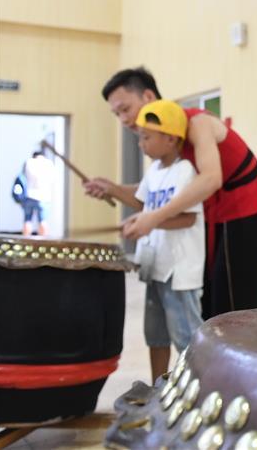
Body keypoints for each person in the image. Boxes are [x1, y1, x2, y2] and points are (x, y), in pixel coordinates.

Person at [84, 68, 257, 319]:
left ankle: (236, 357)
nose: (123, 119)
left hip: (242, 209)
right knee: (209, 304)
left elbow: (211, 178)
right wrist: (113, 189)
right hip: (210, 215)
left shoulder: (196, 123)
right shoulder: (161, 143)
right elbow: (156, 196)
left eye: (125, 109)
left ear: (148, 97)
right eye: (117, 114)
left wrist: (154, 218)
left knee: (235, 308)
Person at [107, 100, 205, 381]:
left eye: (147, 138)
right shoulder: (154, 172)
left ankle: (196, 393)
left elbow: (188, 218)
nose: (141, 144)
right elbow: (143, 204)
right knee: (156, 336)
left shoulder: (186, 170)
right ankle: (158, 390)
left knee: (186, 338)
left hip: (179, 272)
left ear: (171, 138)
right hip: (155, 267)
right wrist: (112, 190)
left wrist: (149, 223)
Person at [21, 149, 55, 236]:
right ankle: (43, 241)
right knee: (43, 220)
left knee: (27, 220)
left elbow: (23, 177)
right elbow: (52, 179)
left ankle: (25, 240)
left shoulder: (29, 162)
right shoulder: (48, 164)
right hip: (43, 196)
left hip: (29, 194)